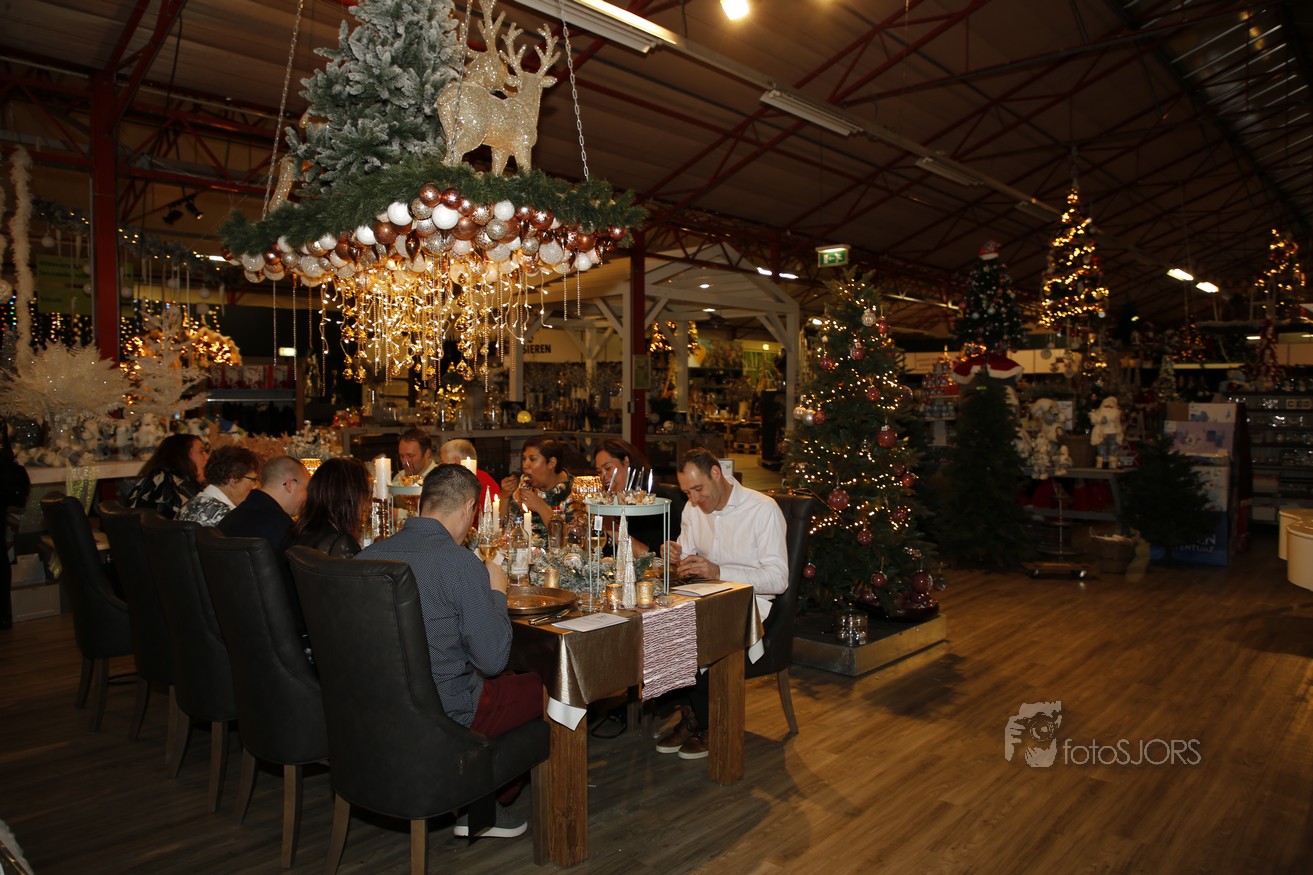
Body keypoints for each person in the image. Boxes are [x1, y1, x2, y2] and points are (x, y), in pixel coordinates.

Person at [358, 464, 542, 838]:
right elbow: (492, 661)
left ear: (422, 502)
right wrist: (496, 591)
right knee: (549, 688)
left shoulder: (365, 559)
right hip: (446, 711)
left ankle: (473, 795)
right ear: (470, 508)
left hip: (377, 706)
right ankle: (481, 805)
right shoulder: (460, 565)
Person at [657, 447, 788, 761]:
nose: (694, 499)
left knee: (694, 636)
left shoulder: (762, 509)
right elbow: (688, 557)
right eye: (687, 493)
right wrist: (673, 554)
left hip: (752, 604)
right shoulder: (692, 509)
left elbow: (778, 579)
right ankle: (692, 715)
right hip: (706, 597)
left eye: (698, 489)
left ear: (716, 473)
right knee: (659, 628)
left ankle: (712, 725)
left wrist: (718, 571)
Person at [287, 456, 372, 558]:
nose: (368, 504)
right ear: (351, 497)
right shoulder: (340, 543)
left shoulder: (295, 532)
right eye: (367, 494)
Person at [218, 455, 309, 549]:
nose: (308, 496)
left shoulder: (231, 517)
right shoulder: (281, 526)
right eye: (306, 489)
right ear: (290, 485)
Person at [593, 438, 662, 554]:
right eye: (599, 471)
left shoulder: (649, 500)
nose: (603, 476)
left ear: (626, 461)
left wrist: (611, 527)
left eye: (608, 468)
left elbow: (651, 557)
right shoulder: (608, 500)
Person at [500, 436, 574, 540]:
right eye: (524, 459)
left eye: (532, 459)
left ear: (551, 463)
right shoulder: (525, 483)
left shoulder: (574, 491)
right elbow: (504, 528)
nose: (525, 465)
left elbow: (572, 539)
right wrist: (505, 497)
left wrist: (540, 506)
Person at [125, 433, 208, 519]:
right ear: (181, 455)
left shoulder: (151, 480)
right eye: (201, 451)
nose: (207, 457)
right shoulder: (175, 485)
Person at [177, 445, 261, 526]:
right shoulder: (228, 518)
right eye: (253, 480)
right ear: (233, 478)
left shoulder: (189, 504)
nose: (255, 486)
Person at [438, 438, 501, 505]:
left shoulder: (453, 481)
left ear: (456, 461)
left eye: (442, 461)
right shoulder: (486, 478)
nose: (439, 465)